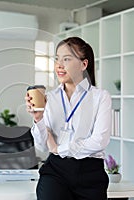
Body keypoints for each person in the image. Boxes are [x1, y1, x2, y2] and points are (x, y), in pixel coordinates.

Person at [25, 37, 112, 200]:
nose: (59, 64)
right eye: (57, 58)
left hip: (90, 173)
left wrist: (59, 148)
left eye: (66, 59)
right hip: (56, 171)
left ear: (83, 64)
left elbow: (99, 140)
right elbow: (43, 146)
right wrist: (38, 119)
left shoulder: (100, 97)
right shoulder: (49, 98)